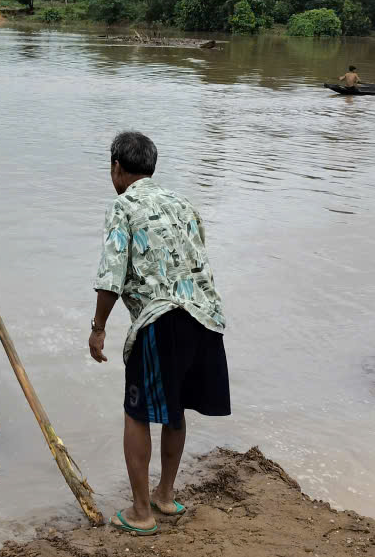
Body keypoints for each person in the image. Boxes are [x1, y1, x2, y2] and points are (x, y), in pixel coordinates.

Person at [89, 131, 230, 536]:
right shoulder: (182, 202)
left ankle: (140, 513)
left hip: (160, 320)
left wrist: (98, 329)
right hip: (205, 317)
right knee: (175, 407)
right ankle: (164, 496)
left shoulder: (123, 205)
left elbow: (111, 277)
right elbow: (197, 258)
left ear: (117, 168)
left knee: (137, 414)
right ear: (152, 166)